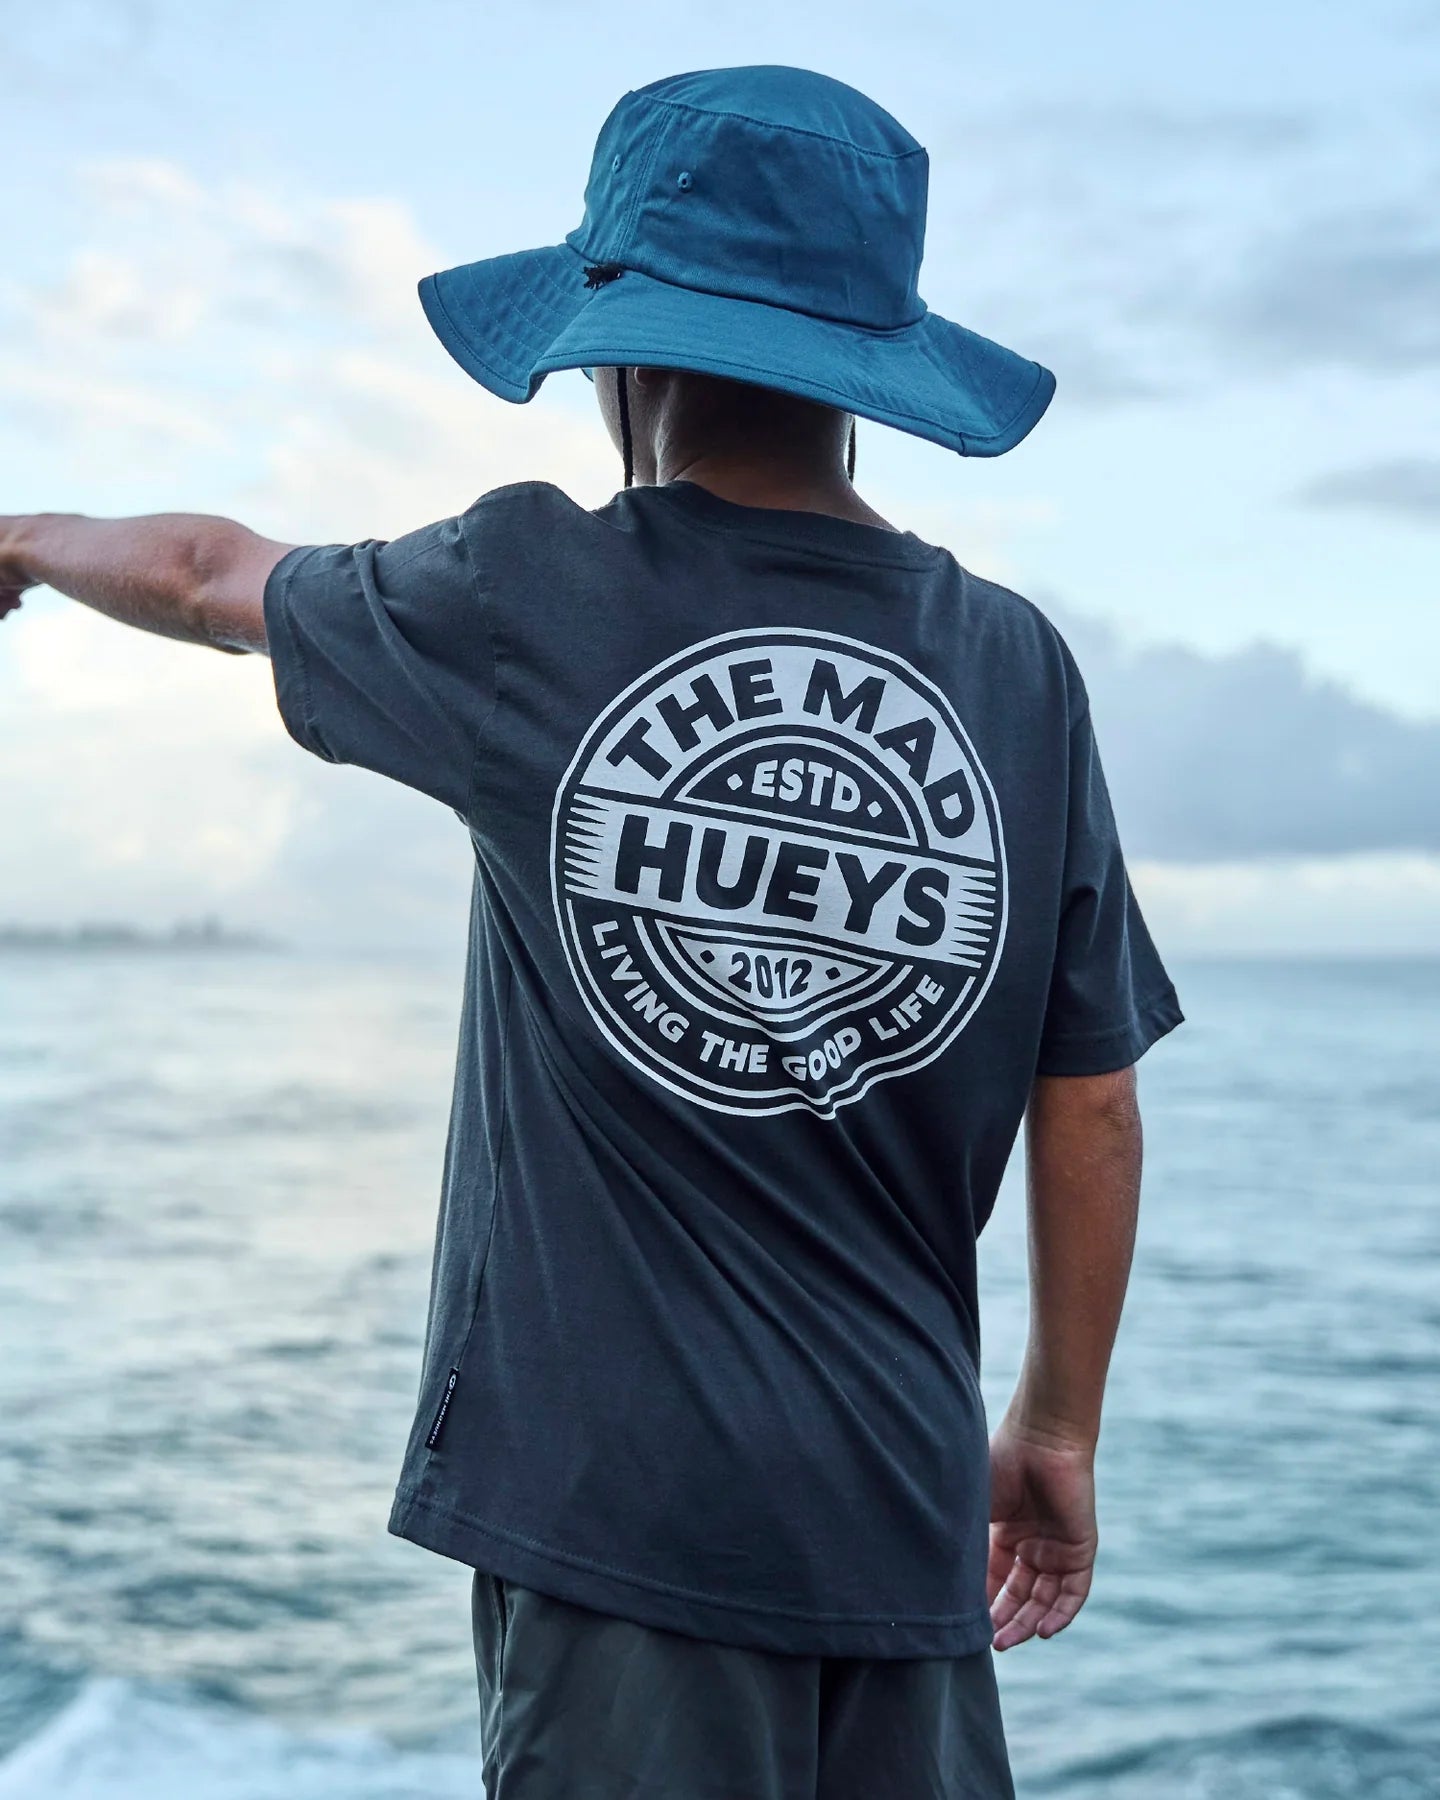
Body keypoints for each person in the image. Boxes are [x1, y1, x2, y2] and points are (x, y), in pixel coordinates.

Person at [0, 64, 1182, 1800]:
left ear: (626, 353)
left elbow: (201, 573)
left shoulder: (527, 593)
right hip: (899, 1510)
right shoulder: (1016, 666)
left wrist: (23, 540)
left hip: (619, 1526)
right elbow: (1093, 1098)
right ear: (870, 365)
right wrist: (1057, 1425)